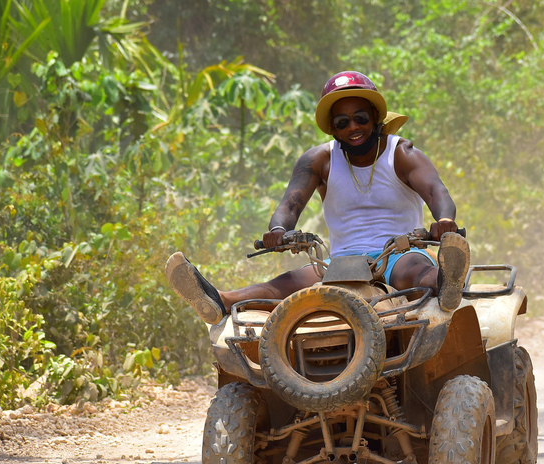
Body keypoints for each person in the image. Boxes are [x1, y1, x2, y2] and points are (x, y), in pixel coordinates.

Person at [166, 70, 469, 324]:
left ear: (375, 117)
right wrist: (278, 231)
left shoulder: (400, 153)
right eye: (342, 123)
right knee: (282, 287)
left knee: (416, 274)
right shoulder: (319, 160)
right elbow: (290, 204)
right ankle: (218, 301)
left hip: (398, 253)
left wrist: (444, 220)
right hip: (342, 263)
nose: (353, 128)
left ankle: (448, 282)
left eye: (360, 118)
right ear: (333, 129)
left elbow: (435, 190)